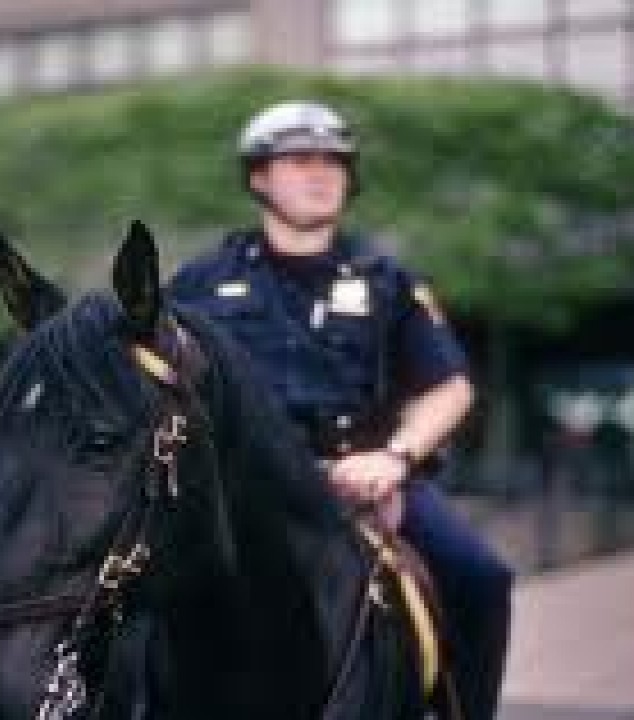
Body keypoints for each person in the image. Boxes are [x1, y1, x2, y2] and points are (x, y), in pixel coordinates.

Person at [168, 101, 512, 720]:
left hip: (365, 480)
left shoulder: (384, 277)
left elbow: (451, 387)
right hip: (239, 487)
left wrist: (395, 456)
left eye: (334, 162)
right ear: (258, 177)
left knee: (480, 577)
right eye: (300, 160)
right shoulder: (200, 281)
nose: (322, 174)